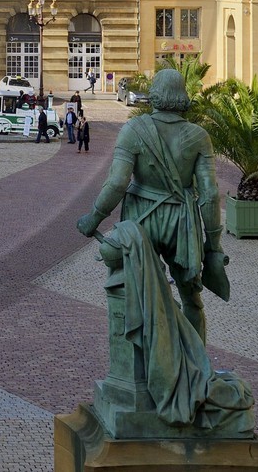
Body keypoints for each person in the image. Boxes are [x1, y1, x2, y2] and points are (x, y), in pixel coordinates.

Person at [76, 67, 226, 341]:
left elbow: (117, 183)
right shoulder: (199, 136)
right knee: (192, 299)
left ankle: (141, 362)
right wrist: (213, 245)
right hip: (181, 220)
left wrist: (93, 218)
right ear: (183, 95)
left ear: (154, 94)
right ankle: (196, 368)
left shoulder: (134, 129)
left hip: (141, 218)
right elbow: (210, 195)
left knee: (137, 291)